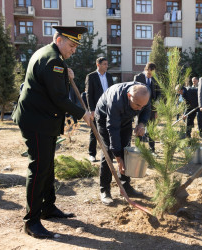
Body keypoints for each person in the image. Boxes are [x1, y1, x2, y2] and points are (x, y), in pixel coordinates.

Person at [12, 26, 92, 238]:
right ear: (59, 40)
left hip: (40, 119)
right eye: (72, 45)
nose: (74, 50)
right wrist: (83, 113)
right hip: (37, 122)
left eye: (76, 46)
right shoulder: (54, 60)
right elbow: (58, 97)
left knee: (47, 166)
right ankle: (31, 221)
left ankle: (48, 207)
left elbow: (49, 84)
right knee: (39, 168)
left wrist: (66, 74)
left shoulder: (49, 55)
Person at [95, 82, 151, 205]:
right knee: (108, 152)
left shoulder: (144, 94)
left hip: (125, 119)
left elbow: (146, 109)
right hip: (105, 119)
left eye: (142, 105)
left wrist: (141, 123)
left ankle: (126, 186)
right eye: (137, 105)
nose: (140, 108)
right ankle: (105, 190)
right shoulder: (116, 100)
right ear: (128, 95)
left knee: (126, 149)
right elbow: (113, 129)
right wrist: (118, 158)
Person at [85, 57, 114, 162]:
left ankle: (109, 153)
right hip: (96, 109)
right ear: (98, 64)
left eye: (107, 64)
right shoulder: (91, 76)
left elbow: (112, 92)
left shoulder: (110, 76)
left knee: (109, 130)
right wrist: (91, 109)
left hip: (109, 108)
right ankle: (92, 154)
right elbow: (89, 94)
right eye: (104, 64)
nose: (106, 66)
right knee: (94, 131)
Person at [134, 62, 160, 153]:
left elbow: (158, 93)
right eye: (149, 73)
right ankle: (137, 148)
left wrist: (156, 106)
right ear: (146, 70)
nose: (150, 75)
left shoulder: (155, 79)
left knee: (151, 129)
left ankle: (152, 150)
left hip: (152, 108)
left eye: (152, 74)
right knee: (139, 127)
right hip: (140, 108)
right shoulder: (138, 77)